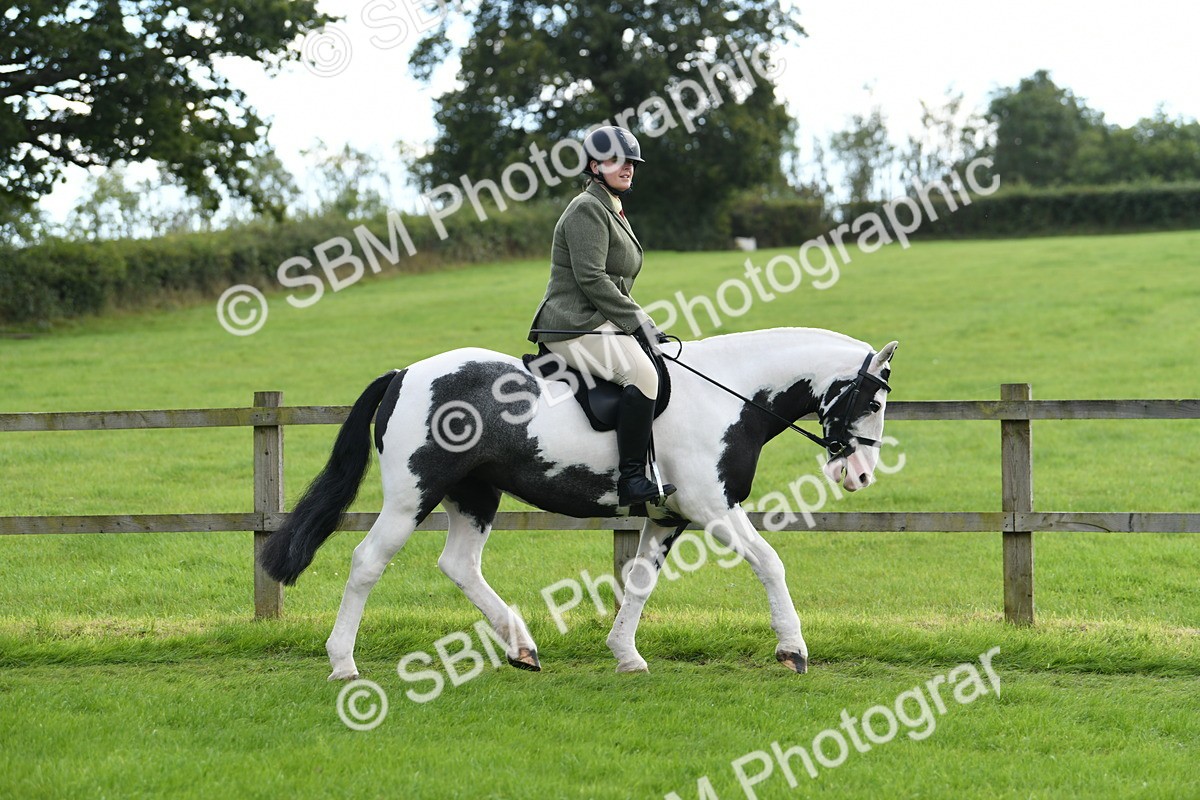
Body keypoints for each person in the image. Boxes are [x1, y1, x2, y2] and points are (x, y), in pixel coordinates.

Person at [528, 125, 677, 507]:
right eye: (616, 161)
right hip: (571, 325)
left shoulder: (612, 208)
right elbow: (592, 279)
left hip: (597, 321)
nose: (627, 168)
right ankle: (630, 480)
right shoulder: (587, 209)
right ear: (595, 166)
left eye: (630, 162)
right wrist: (639, 321)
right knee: (641, 373)